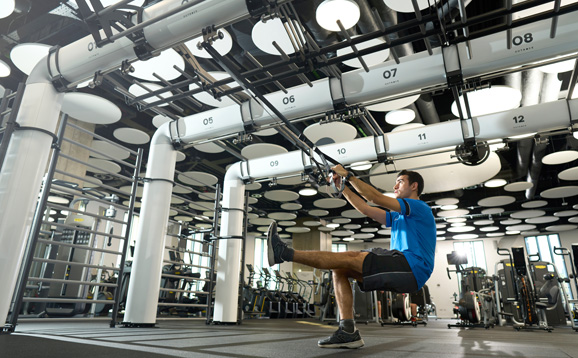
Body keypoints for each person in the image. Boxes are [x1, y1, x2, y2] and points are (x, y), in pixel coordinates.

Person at [267, 165, 436, 349]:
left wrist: (349, 176)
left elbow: (374, 198)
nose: (395, 186)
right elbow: (365, 208)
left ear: (414, 186)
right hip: (403, 264)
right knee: (340, 269)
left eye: (400, 182)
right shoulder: (398, 216)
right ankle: (348, 331)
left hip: (413, 266)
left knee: (351, 256)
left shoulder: (419, 207)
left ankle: (283, 253)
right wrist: (343, 187)